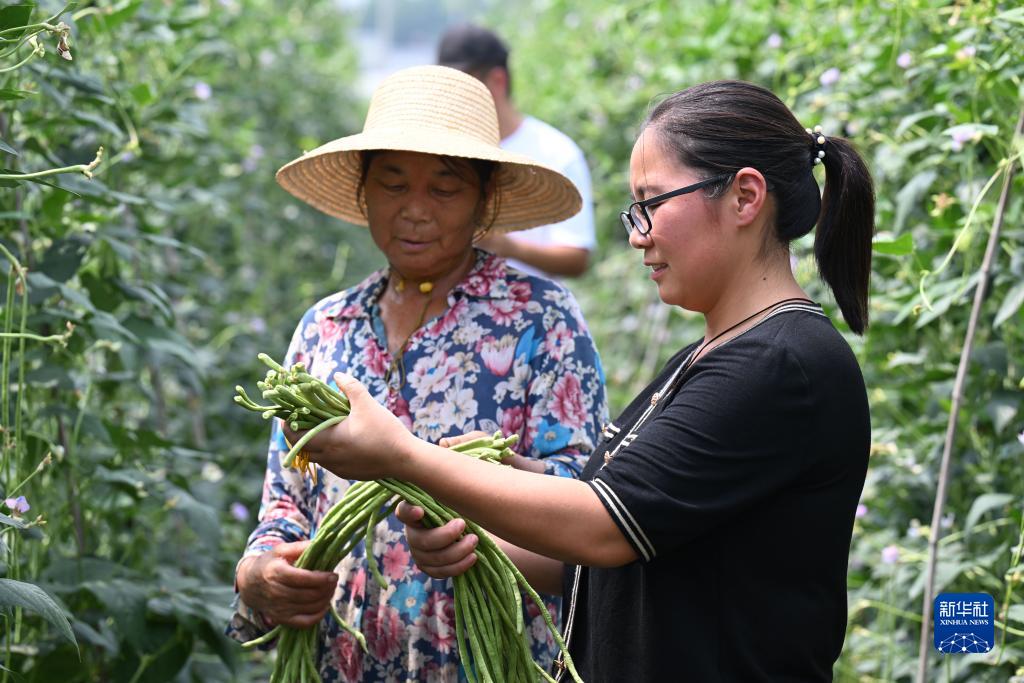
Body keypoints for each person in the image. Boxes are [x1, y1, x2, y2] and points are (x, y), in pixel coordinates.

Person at [292, 80, 875, 682]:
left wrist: (403, 456)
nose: (637, 234)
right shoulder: (703, 361)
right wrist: (474, 531)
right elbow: (611, 556)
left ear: (745, 197)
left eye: (651, 203)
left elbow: (600, 526)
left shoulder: (782, 367)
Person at [228, 65, 608, 682]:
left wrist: (478, 537)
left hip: (485, 659)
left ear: (485, 200)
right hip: (342, 657)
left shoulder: (542, 319)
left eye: (445, 188)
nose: (414, 211)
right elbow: (286, 497)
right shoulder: (326, 327)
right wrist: (262, 570)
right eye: (393, 183)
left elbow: (585, 507)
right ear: (363, 192)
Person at [437, 23, 596, 279]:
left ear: (498, 81)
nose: (453, 95)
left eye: (464, 84)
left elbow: (576, 258)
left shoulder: (555, 152)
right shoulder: (442, 148)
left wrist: (506, 246)